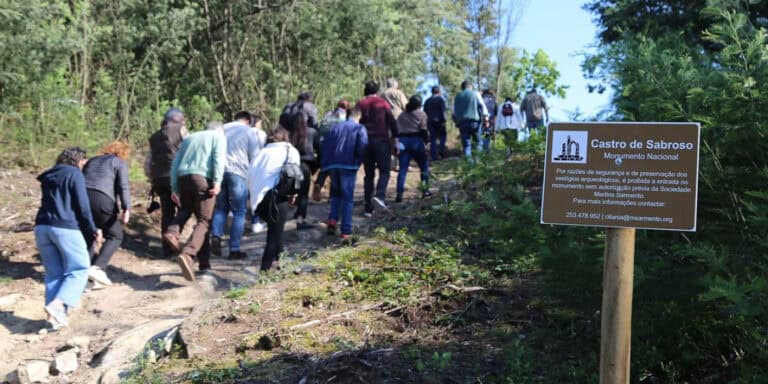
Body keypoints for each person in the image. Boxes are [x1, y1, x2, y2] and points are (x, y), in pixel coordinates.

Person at [35, 147, 103, 329]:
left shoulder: (49, 175)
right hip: (65, 227)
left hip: (42, 227)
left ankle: (53, 321)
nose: (83, 166)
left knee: (54, 274)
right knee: (80, 268)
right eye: (83, 163)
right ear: (78, 160)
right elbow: (82, 205)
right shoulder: (74, 174)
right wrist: (92, 228)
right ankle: (59, 304)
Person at [163, 122, 227, 281]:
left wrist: (175, 187)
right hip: (203, 179)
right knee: (205, 221)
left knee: (186, 211)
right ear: (220, 131)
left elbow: (175, 165)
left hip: (184, 179)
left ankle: (173, 233)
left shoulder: (189, 139)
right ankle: (188, 254)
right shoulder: (218, 137)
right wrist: (218, 183)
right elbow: (218, 159)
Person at [211, 111, 265, 260]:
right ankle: (234, 249)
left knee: (221, 208)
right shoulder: (249, 131)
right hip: (238, 173)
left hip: (219, 172)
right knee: (239, 212)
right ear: (248, 120)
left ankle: (216, 236)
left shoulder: (222, 128)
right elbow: (255, 156)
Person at [248, 128, 301, 271]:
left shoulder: (261, 153)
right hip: (277, 198)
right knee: (273, 235)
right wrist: (293, 195)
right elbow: (294, 175)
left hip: (258, 201)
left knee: (276, 231)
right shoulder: (290, 151)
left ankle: (283, 263)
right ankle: (264, 271)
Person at [82, 141, 131, 288]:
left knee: (89, 235)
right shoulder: (118, 162)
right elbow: (123, 186)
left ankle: (87, 279)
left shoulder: (91, 160)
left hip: (82, 198)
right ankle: (98, 268)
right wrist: (126, 207)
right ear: (122, 153)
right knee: (115, 235)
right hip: (103, 198)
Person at [320, 107, 368, 239]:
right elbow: (363, 145)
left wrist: (326, 165)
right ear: (359, 116)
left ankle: (332, 221)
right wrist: (358, 162)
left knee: (336, 194)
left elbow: (326, 144)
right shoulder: (359, 128)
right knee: (347, 198)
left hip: (332, 165)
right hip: (348, 164)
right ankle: (346, 230)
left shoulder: (335, 127)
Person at [147, 108, 189, 258]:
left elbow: (148, 161)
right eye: (182, 118)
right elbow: (190, 149)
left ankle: (167, 250)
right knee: (185, 209)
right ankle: (174, 235)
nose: (184, 121)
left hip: (159, 179)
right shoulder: (181, 130)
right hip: (177, 177)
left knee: (167, 213)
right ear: (177, 119)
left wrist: (151, 178)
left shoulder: (154, 137)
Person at [356, 81, 398, 216]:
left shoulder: (360, 104)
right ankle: (379, 196)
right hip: (381, 141)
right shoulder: (382, 103)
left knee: (369, 175)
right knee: (384, 171)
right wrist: (396, 137)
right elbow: (391, 120)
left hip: (364, 142)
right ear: (377, 91)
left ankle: (368, 207)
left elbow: (353, 120)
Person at [395, 95, 432, 202]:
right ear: (420, 104)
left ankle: (399, 193)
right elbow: (424, 130)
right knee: (424, 166)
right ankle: (425, 191)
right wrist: (427, 143)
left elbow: (396, 130)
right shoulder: (422, 114)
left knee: (403, 169)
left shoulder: (402, 115)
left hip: (403, 141)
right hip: (416, 140)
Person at [286, 113, 319, 230]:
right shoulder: (312, 132)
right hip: (305, 166)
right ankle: (300, 219)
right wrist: (316, 167)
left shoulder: (288, 134)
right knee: (304, 194)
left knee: (293, 191)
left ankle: (290, 214)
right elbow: (320, 150)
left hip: (290, 166)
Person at [313, 99, 350, 202]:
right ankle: (332, 195)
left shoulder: (328, 113)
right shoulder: (344, 116)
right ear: (346, 108)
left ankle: (319, 183)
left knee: (325, 167)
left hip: (323, 144)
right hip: (335, 146)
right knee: (335, 169)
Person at [452, 81, 488, 161]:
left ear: (462, 87)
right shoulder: (475, 93)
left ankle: (469, 165)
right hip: (474, 122)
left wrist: (456, 122)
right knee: (478, 142)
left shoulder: (457, 96)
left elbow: (453, 112)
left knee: (466, 145)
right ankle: (477, 162)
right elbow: (482, 105)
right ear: (470, 86)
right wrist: (486, 118)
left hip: (462, 123)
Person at [381, 78, 407, 172]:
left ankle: (391, 163)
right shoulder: (399, 93)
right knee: (399, 140)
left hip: (386, 119)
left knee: (390, 141)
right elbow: (405, 106)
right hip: (399, 118)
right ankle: (400, 163)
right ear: (394, 84)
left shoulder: (382, 94)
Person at [423, 86, 447, 161]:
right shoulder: (440, 100)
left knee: (432, 138)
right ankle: (441, 151)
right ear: (439, 92)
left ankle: (434, 156)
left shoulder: (427, 101)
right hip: (439, 121)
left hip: (429, 122)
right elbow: (443, 111)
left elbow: (424, 112)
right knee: (443, 135)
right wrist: (444, 120)